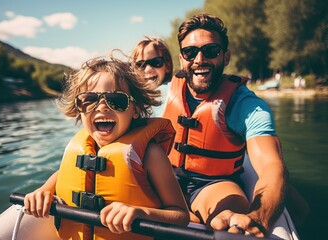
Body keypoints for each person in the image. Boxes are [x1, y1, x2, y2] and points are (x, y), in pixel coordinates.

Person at [24, 54, 189, 240]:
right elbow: (61, 174)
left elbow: (181, 216)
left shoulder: (151, 154)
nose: (102, 107)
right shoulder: (83, 148)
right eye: (88, 99)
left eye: (116, 100)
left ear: (135, 109)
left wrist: (142, 213)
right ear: (78, 108)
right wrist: (44, 190)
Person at [162, 13, 288, 238]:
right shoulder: (163, 95)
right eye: (190, 52)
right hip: (164, 178)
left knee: (228, 221)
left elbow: (271, 165)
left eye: (211, 51)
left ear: (226, 57)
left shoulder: (247, 106)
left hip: (212, 185)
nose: (199, 59)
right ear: (181, 59)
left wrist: (258, 217)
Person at [130, 37, 173, 117]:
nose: (148, 69)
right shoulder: (132, 98)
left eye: (156, 62)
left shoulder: (173, 89)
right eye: (141, 65)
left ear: (168, 66)